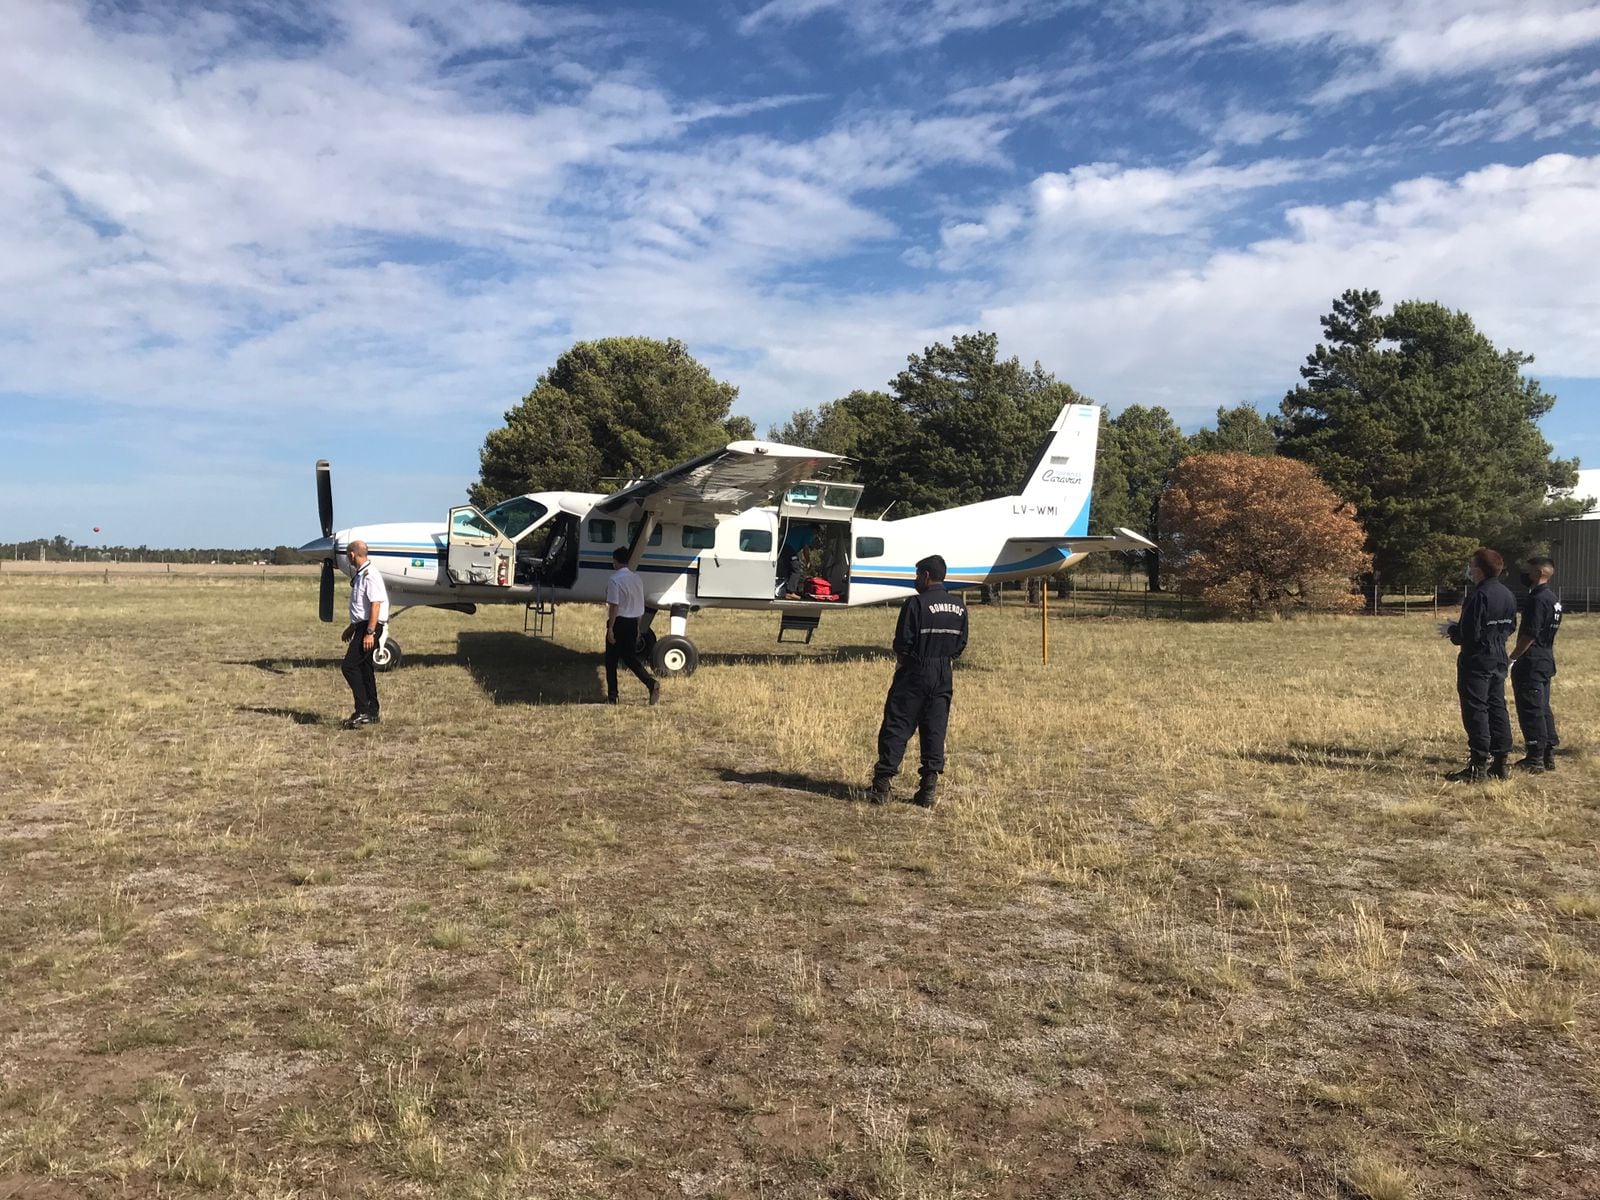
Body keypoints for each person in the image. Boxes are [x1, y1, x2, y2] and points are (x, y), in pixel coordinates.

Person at [870, 554, 969, 808]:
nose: (915, 580)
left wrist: (907, 663)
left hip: (916, 670)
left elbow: (902, 643)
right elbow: (960, 645)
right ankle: (928, 788)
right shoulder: (959, 607)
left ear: (926, 576)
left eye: (917, 575)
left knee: (897, 724)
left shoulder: (915, 604)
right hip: (944, 671)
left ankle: (882, 786)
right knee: (935, 728)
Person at [1441, 548, 1518, 782]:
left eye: (1471, 565)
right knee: (1497, 706)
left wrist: (1453, 631)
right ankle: (1501, 761)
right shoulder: (1507, 594)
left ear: (1479, 569)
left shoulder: (1478, 595)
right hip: (1498, 654)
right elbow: (1511, 626)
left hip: (1477, 658)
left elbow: (1469, 633)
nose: (1469, 570)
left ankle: (1478, 765)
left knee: (1476, 708)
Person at [1509, 556, 1562, 773]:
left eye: (1527, 570)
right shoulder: (1553, 598)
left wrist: (1513, 657)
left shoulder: (1537, 599)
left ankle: (1535, 756)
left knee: (1531, 708)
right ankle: (1548, 752)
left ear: (1540, 573)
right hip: (1545, 657)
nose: (1524, 574)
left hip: (1531, 660)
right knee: (1542, 707)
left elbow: (1530, 632)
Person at [341, 540, 387, 729]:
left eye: (348, 555)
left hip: (369, 627)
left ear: (352, 555)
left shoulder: (370, 575)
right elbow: (363, 607)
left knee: (349, 666)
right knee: (365, 668)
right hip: (362, 626)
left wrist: (369, 632)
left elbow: (376, 604)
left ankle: (362, 710)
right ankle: (372, 710)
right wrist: (352, 628)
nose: (347, 559)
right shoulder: (362, 575)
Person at [604, 546, 660, 705]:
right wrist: (638, 628)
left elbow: (614, 606)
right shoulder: (637, 579)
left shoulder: (614, 579)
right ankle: (650, 683)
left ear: (615, 561)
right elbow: (640, 606)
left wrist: (610, 628)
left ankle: (613, 696)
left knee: (611, 661)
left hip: (619, 622)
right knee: (630, 658)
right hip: (633, 622)